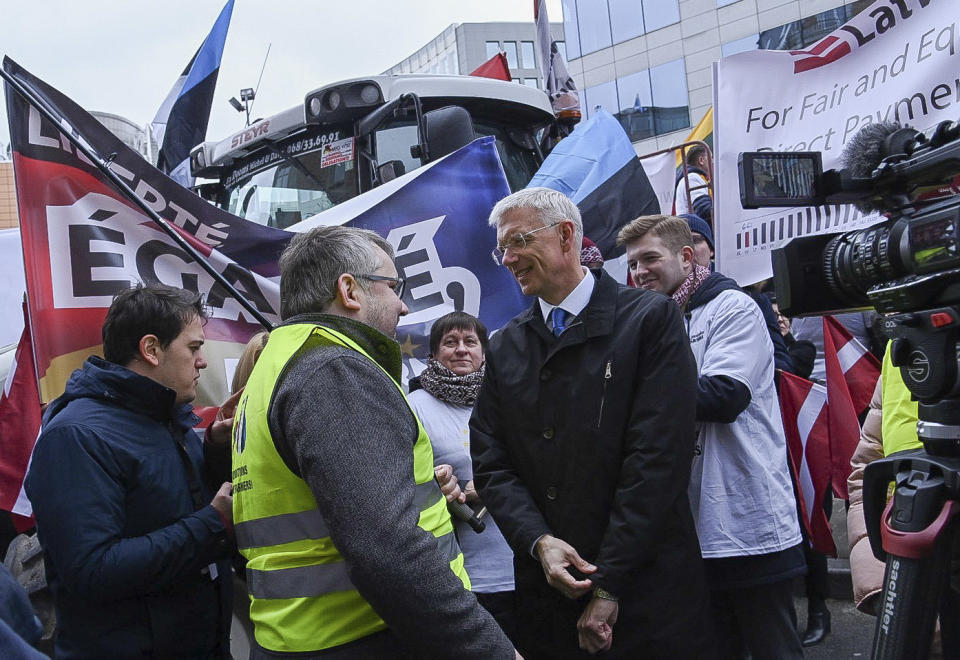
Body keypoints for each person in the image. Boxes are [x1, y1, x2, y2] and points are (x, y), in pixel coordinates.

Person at [231, 225, 516, 658]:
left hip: (309, 637)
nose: (402, 304)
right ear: (350, 290)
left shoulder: (281, 361)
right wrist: (490, 650)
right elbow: (389, 549)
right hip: (366, 636)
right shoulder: (334, 370)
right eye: (393, 285)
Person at [472, 188, 714, 659]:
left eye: (519, 241)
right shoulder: (505, 345)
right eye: (502, 247)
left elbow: (657, 461)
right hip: (548, 593)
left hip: (644, 589)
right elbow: (492, 461)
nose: (508, 258)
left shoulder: (648, 319)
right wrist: (539, 542)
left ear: (566, 236)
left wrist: (608, 587)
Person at [619, 214, 805, 660]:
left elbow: (724, 396)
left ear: (685, 257)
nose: (640, 271)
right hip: (688, 531)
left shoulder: (731, 307)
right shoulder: (652, 319)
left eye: (650, 258)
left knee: (772, 648)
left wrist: (630, 389)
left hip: (746, 519)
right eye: (632, 263)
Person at [25, 285, 235, 658]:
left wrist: (216, 449)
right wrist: (212, 525)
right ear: (151, 349)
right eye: (193, 347)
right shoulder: (76, 437)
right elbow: (93, 569)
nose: (202, 360)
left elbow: (171, 502)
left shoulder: (167, 417)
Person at [408, 312, 517, 643]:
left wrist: (494, 485)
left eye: (471, 342)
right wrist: (437, 488)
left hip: (523, 565)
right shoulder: (413, 406)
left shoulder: (509, 399)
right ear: (433, 355)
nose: (461, 350)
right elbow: (401, 482)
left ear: (485, 352)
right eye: (450, 342)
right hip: (460, 573)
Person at [675, 144, 713, 223]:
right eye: (711, 157)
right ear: (701, 160)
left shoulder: (692, 177)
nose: (713, 161)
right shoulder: (693, 178)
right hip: (696, 231)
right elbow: (704, 210)